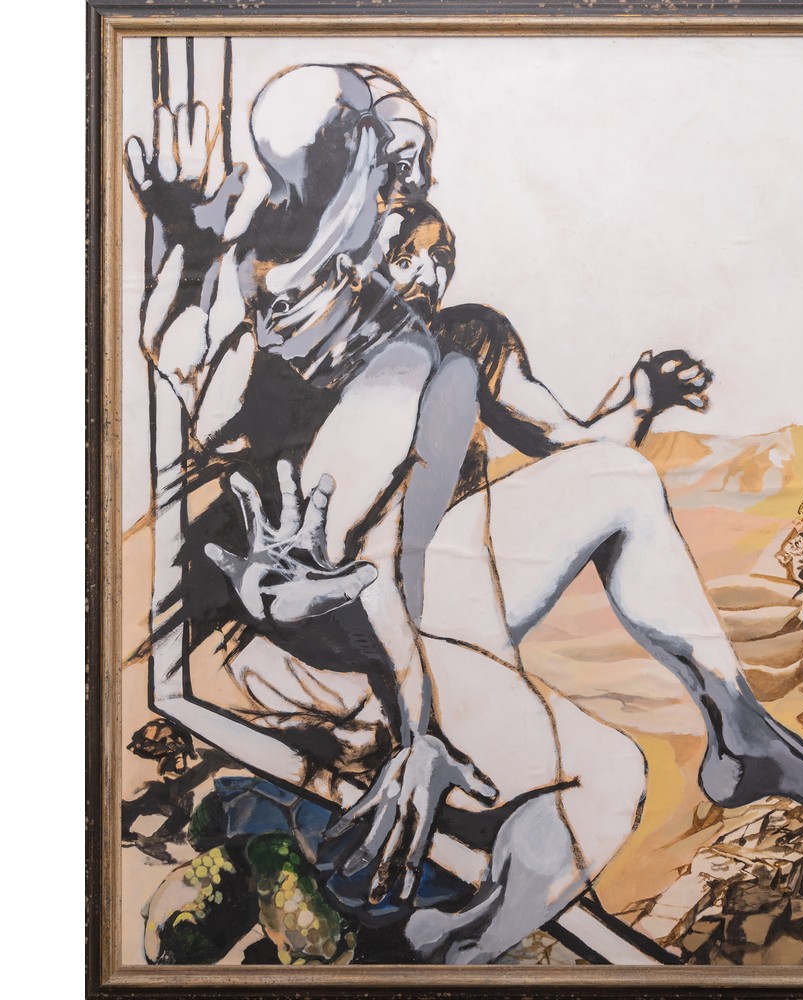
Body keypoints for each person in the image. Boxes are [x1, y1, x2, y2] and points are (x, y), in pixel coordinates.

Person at [127, 66, 648, 965]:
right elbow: (342, 566)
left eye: (439, 255)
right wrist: (416, 723)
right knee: (601, 777)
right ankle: (423, 932)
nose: (422, 259)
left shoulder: (440, 344)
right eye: (403, 200)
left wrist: (639, 402)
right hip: (324, 638)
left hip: (396, 613)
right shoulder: (339, 345)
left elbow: (569, 445)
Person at [373, 199, 803, 822]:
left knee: (623, 480)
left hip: (462, 594)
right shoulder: (313, 359)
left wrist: (640, 404)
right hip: (376, 610)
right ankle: (746, 741)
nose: (429, 274)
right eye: (405, 256)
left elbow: (582, 456)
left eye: (441, 256)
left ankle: (742, 733)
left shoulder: (468, 337)